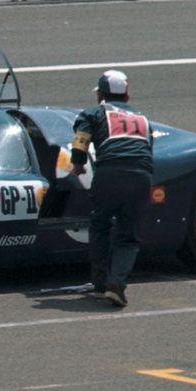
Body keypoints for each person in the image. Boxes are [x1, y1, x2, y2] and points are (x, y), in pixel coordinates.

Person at [70, 70, 153, 309]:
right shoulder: (141, 118)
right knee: (128, 235)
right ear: (127, 95)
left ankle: (99, 282)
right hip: (141, 176)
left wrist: (77, 164)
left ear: (100, 96)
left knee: (100, 224)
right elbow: (148, 149)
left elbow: (81, 138)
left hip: (110, 174)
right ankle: (117, 283)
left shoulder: (94, 112)